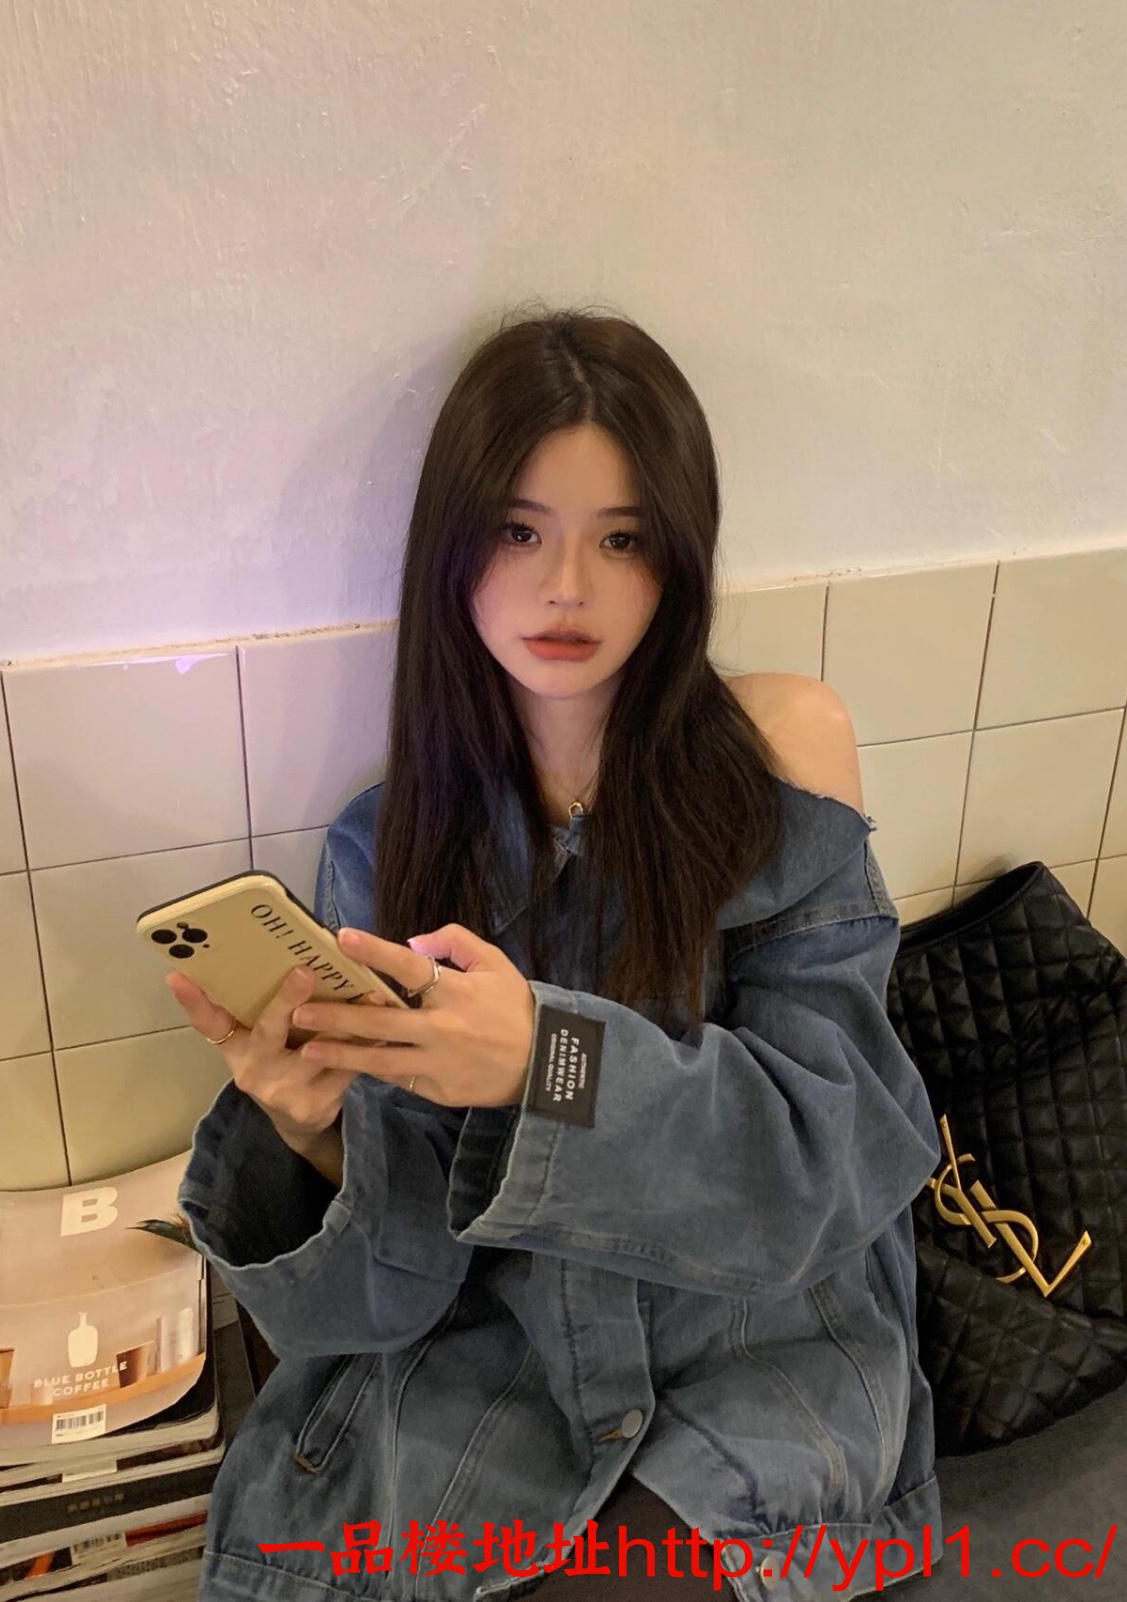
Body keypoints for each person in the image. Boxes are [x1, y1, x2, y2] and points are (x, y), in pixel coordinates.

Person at [168, 304, 944, 1602]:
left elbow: (834, 1157)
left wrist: (550, 1062)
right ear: (452, 549)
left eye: (621, 538)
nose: (567, 586)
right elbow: (385, 1297)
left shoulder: (777, 756)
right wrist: (307, 1137)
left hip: (751, 1368)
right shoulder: (387, 843)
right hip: (494, 1392)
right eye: (520, 532)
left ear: (677, 558)